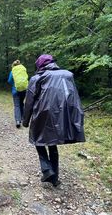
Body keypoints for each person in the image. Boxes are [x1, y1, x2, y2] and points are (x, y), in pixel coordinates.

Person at [23, 54, 85, 186]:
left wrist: (25, 121)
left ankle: (46, 169)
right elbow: (74, 97)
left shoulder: (37, 78)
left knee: (37, 139)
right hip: (62, 113)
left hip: (41, 113)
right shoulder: (68, 75)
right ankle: (55, 177)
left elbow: (29, 102)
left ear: (40, 65)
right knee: (52, 142)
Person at [8, 60, 28, 128]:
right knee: (21, 103)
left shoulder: (12, 71)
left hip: (15, 90)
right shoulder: (23, 70)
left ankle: (18, 121)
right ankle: (23, 119)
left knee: (17, 105)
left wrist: (14, 84)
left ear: (13, 65)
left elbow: (9, 80)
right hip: (23, 90)